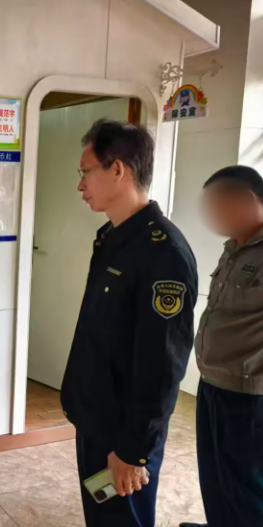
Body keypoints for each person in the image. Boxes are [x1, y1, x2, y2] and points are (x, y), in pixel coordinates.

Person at [61, 119, 198, 527]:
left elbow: (162, 364)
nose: (81, 185)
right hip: (96, 416)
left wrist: (135, 450)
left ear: (118, 169)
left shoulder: (164, 253)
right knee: (101, 515)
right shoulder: (112, 238)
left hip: (124, 431)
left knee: (122, 519)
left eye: (86, 172)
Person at [179, 166, 263, 527]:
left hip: (249, 393)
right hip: (213, 382)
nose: (211, 215)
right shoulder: (234, 248)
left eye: (217, 205)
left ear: (247, 199)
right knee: (214, 475)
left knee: (245, 485)